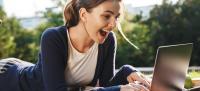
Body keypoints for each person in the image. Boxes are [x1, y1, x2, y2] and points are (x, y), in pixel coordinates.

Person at [0, 0, 150, 91]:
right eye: (106, 16)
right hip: (9, 80)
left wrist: (126, 72)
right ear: (84, 15)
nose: (113, 24)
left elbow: (105, 86)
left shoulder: (108, 41)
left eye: (116, 17)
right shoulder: (53, 37)